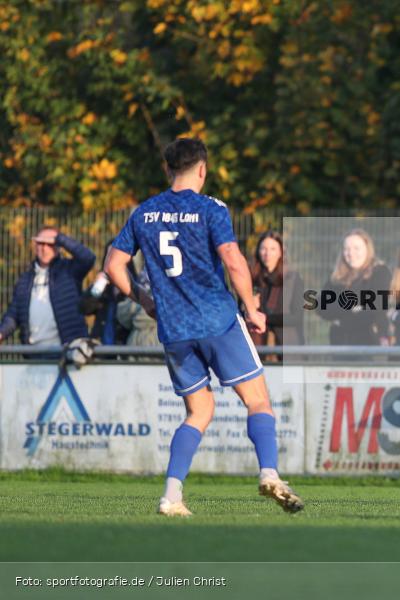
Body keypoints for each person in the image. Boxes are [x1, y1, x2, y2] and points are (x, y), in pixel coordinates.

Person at [104, 137, 303, 516]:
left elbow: (113, 266)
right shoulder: (211, 208)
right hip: (217, 320)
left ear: (167, 169)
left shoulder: (144, 213)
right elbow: (232, 258)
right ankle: (269, 473)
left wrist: (145, 301)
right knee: (258, 400)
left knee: (198, 411)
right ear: (202, 169)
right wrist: (252, 308)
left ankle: (172, 496)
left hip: (175, 329)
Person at [0, 226, 95, 347]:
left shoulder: (69, 270)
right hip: (34, 354)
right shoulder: (25, 280)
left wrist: (59, 238)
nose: (44, 248)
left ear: (58, 246)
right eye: (40, 243)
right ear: (35, 246)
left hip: (66, 352)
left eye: (50, 244)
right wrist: (2, 332)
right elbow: (13, 315)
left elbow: (88, 257)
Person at [318, 228, 391, 346]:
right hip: (339, 342)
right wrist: (354, 307)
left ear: (367, 249)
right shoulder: (338, 276)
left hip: (368, 342)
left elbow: (375, 306)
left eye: (356, 248)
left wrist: (340, 314)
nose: (351, 253)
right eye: (347, 249)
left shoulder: (380, 272)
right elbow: (321, 307)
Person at [249, 230, 305, 352]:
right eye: (264, 248)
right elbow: (243, 314)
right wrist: (249, 307)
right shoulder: (252, 279)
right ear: (258, 251)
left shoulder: (293, 278)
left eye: (273, 249)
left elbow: (297, 317)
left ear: (281, 252)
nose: (267, 253)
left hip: (288, 347)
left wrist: (266, 318)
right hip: (258, 347)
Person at [80, 241, 131, 346]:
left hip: (123, 348)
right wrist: (97, 287)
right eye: (109, 256)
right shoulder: (103, 287)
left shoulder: (133, 284)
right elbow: (85, 308)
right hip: (101, 347)